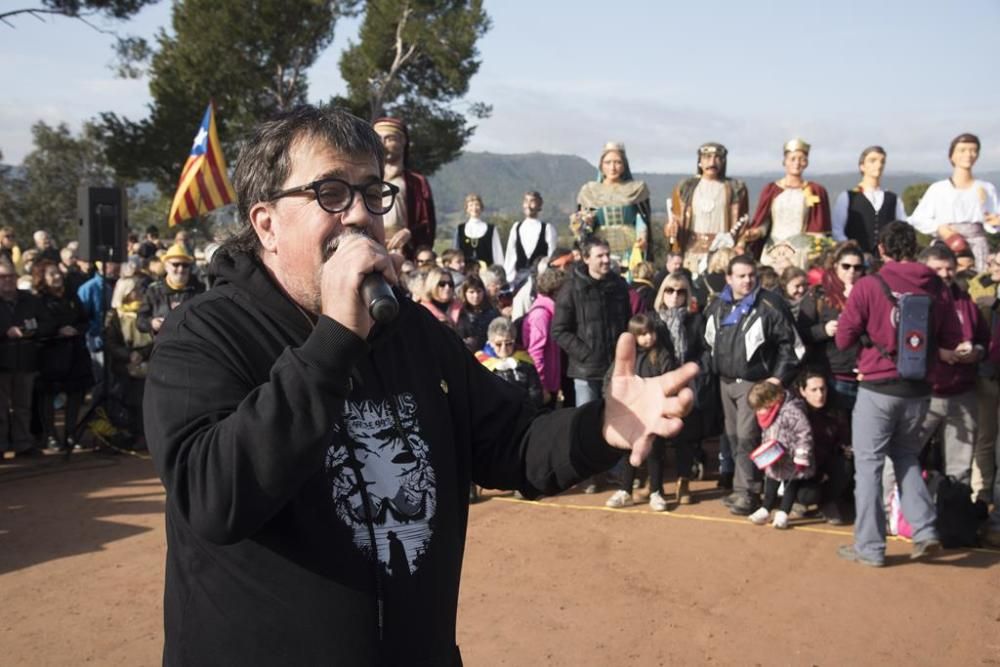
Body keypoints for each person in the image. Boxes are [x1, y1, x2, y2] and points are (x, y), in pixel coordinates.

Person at [143, 105, 698, 665]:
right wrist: (333, 343)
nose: (359, 214)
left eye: (371, 193)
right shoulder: (205, 332)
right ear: (267, 223)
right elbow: (213, 498)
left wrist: (599, 426)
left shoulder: (411, 331)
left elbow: (510, 442)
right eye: (331, 193)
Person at [834, 221, 963, 567]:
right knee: (907, 457)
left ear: (881, 250)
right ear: (915, 249)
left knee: (869, 467)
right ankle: (924, 531)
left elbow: (843, 338)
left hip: (877, 386)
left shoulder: (868, 285)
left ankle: (870, 548)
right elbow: (952, 337)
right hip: (919, 388)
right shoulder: (935, 285)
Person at [702, 255, 803, 515]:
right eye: (741, 276)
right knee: (734, 438)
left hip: (754, 384)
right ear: (728, 278)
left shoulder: (770, 304)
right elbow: (707, 343)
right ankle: (742, 488)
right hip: (725, 382)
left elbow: (790, 345)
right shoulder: (718, 306)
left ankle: (750, 493)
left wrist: (776, 379)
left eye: (751, 275)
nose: (747, 280)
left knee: (748, 438)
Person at [911, 244, 987, 487]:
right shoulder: (915, 298)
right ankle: (890, 510)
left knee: (960, 466)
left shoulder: (964, 300)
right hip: (925, 392)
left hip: (962, 391)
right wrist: (938, 353)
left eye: (949, 268)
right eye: (938, 269)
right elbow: (905, 342)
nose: (945, 274)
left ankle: (955, 514)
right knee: (905, 455)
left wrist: (977, 351)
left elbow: (983, 337)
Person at [604, 314, 676, 511]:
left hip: (655, 414)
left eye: (651, 332)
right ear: (633, 336)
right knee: (630, 453)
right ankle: (625, 491)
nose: (648, 337)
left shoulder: (663, 356)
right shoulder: (628, 357)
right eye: (642, 334)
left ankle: (656, 492)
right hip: (632, 415)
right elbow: (612, 379)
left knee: (655, 453)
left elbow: (670, 384)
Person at [552, 237, 632, 409]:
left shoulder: (619, 287)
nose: (606, 260)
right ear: (586, 258)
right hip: (585, 372)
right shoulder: (571, 289)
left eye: (608, 255)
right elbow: (559, 331)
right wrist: (586, 354)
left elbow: (627, 323)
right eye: (600, 256)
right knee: (587, 422)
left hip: (615, 369)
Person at [653, 271, 707, 504]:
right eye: (670, 290)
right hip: (658, 385)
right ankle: (654, 485)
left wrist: (696, 369)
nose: (675, 296)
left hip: (687, 385)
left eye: (681, 291)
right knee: (655, 435)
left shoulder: (696, 320)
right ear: (662, 292)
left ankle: (683, 481)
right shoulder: (652, 319)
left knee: (685, 435)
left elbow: (706, 350)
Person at [909, 133, 1000, 271]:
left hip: (976, 243)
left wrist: (992, 221)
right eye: (962, 150)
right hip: (947, 243)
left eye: (973, 150)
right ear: (952, 155)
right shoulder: (938, 189)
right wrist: (940, 228)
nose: (968, 154)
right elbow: (918, 218)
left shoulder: (986, 188)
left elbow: (993, 221)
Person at [798, 242, 867, 412]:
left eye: (857, 268)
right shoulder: (819, 294)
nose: (851, 272)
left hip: (861, 374)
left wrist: (855, 304)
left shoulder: (868, 294)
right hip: (830, 374)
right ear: (836, 266)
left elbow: (877, 333)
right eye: (846, 266)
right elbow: (800, 332)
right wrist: (824, 330)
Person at [32, 260, 91, 450]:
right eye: (51, 274)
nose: (57, 277)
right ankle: (51, 436)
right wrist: (58, 330)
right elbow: (37, 327)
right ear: (42, 278)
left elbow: (85, 320)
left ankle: (71, 434)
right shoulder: (38, 300)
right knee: (48, 397)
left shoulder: (71, 296)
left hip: (75, 353)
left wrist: (76, 329)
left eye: (58, 273)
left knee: (76, 394)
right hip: (50, 355)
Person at [744, 139, 831, 267]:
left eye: (801, 159)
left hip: (801, 252)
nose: (797, 163)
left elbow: (819, 226)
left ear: (806, 162)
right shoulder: (771, 190)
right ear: (784, 161)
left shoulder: (815, 191)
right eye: (793, 159)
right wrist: (756, 232)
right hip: (773, 249)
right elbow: (765, 221)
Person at [666, 142, 750, 275]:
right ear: (700, 161)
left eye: (717, 157)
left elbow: (743, 223)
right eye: (707, 157)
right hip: (692, 250)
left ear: (723, 162)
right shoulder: (685, 188)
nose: (712, 162)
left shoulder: (735, 189)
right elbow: (676, 218)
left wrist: (740, 245)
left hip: (722, 251)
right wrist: (671, 228)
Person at [570, 142, 652, 268]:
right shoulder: (590, 191)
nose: (612, 167)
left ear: (624, 165)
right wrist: (583, 223)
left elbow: (641, 218)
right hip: (599, 245)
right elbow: (584, 227)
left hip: (630, 246)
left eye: (617, 162)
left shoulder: (636, 189)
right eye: (608, 163)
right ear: (601, 166)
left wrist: (643, 235)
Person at [745, 381, 815, 529]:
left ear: (771, 400)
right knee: (770, 481)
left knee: (790, 484)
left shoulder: (792, 411)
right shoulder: (768, 414)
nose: (759, 411)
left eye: (761, 407)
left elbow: (804, 433)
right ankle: (765, 508)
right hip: (774, 456)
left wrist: (801, 455)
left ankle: (783, 512)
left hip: (791, 457)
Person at [0, 259, 52, 458]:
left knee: (23, 407)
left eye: (10, 276)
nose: (7, 281)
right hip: (2, 363)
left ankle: (23, 443)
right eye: (2, 277)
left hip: (26, 361)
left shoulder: (30, 300)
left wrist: (33, 330)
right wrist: (6, 332)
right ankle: (1, 445)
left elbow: (48, 322)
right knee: (1, 409)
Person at [372, 116, 436, 258]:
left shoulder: (417, 182)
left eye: (389, 139)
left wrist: (409, 233)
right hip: (372, 246)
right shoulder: (366, 178)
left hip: (403, 250)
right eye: (378, 138)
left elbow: (427, 222)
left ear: (403, 141)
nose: (382, 143)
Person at [798, 370, 854, 525]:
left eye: (823, 389)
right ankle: (797, 499)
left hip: (826, 462)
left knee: (846, 465)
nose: (820, 394)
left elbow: (843, 439)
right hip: (802, 468)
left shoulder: (836, 411)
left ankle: (827, 503)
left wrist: (844, 448)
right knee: (807, 496)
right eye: (814, 390)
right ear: (803, 391)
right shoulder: (796, 413)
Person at [831, 146, 908, 255]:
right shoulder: (847, 197)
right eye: (873, 161)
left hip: (887, 259)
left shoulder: (893, 199)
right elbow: (837, 230)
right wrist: (851, 249)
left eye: (882, 161)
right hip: (856, 261)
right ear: (862, 166)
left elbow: (903, 228)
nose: (879, 165)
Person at [521, 267, 567, 411]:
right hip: (544, 384)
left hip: (551, 381)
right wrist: (541, 385)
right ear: (555, 290)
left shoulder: (551, 312)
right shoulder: (541, 315)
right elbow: (536, 352)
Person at [475, 317, 544, 410]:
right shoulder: (481, 364)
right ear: (490, 343)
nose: (504, 348)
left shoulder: (525, 361)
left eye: (508, 343)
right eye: (498, 344)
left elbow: (536, 393)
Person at [136, 244, 204, 337]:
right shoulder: (154, 290)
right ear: (166, 266)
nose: (180, 269)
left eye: (185, 265)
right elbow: (140, 320)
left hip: (191, 347)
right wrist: (152, 323)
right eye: (175, 264)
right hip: (162, 347)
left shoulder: (201, 289)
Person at [504, 191, 557, 289]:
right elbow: (510, 255)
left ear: (539, 205)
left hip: (540, 279)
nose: (528, 205)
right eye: (526, 201)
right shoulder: (516, 227)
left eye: (532, 201)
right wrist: (510, 280)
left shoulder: (547, 229)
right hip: (519, 279)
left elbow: (552, 256)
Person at [454, 193, 503, 267]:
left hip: (487, 273)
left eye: (477, 205)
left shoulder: (491, 229)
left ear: (481, 207)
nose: (474, 208)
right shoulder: (460, 229)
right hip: (464, 273)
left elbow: (497, 254)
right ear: (467, 209)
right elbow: (455, 253)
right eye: (471, 205)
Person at [454, 275, 497, 352]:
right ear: (465, 293)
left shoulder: (492, 312)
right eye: (471, 292)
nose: (476, 296)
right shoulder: (458, 313)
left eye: (479, 291)